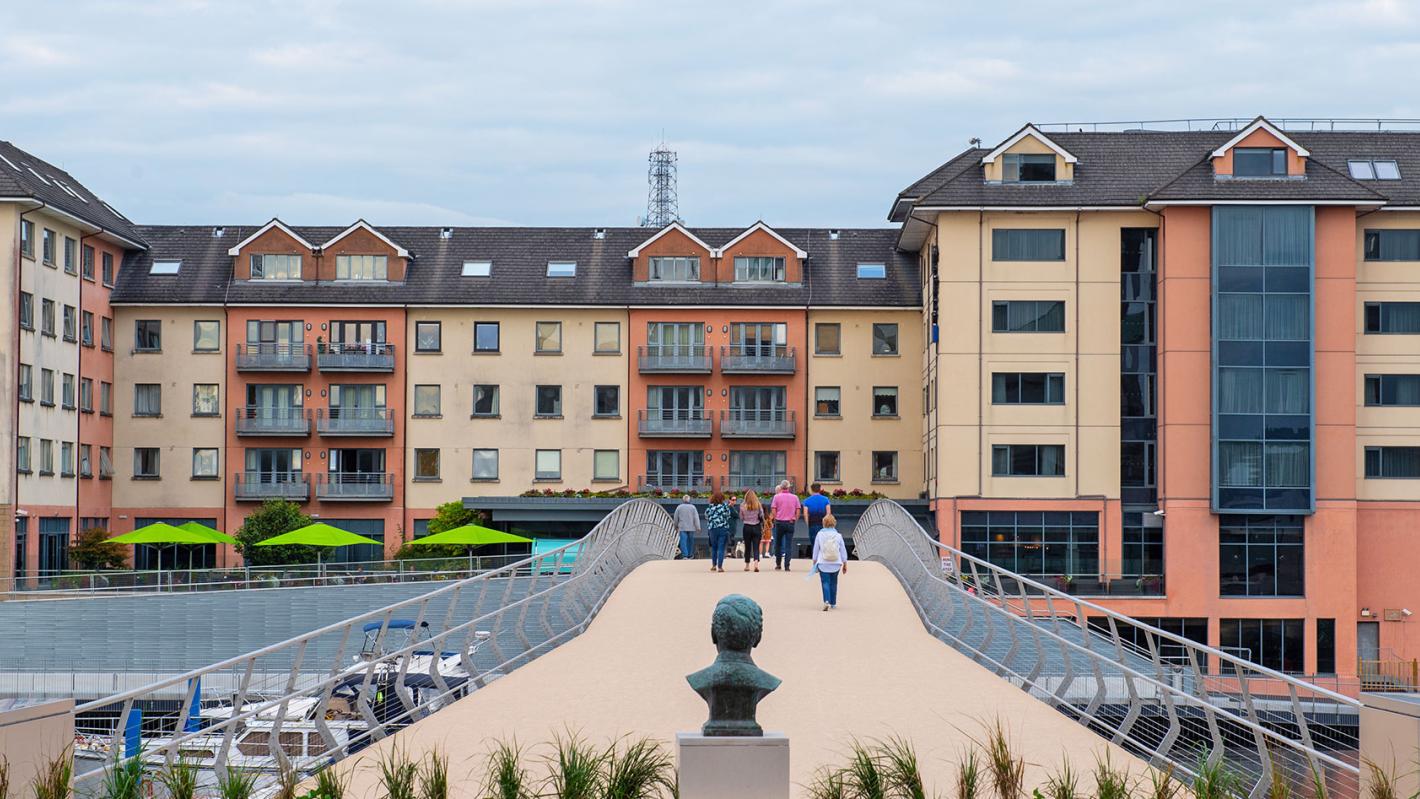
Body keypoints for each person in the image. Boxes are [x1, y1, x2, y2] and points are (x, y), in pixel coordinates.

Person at [812, 512, 848, 610]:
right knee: (834, 582)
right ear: (834, 523)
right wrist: (845, 563)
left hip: (823, 562)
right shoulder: (838, 536)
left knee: (825, 582)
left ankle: (826, 601)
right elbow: (843, 550)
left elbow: (816, 549)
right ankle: (833, 603)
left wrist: (814, 561)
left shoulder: (819, 534)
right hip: (836, 563)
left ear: (824, 523)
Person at [768, 481, 801, 571]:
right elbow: (798, 510)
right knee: (788, 544)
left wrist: (776, 518)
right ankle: (787, 565)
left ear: (781, 488)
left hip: (779, 522)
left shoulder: (776, 497)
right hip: (790, 522)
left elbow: (773, 509)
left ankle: (778, 564)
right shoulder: (795, 497)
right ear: (789, 487)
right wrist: (795, 519)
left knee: (778, 544)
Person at [704, 491, 738, 573]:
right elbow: (728, 516)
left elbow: (706, 516)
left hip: (712, 529)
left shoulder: (710, 507)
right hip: (723, 529)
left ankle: (713, 565)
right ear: (722, 499)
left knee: (714, 548)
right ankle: (720, 567)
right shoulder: (725, 506)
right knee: (721, 548)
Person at [739, 490, 764, 572]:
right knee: (756, 546)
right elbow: (761, 515)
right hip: (756, 526)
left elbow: (741, 517)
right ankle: (756, 564)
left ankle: (747, 565)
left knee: (748, 546)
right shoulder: (758, 504)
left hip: (747, 527)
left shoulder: (742, 505)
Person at [673, 494, 701, 560]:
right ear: (689, 500)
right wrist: (698, 527)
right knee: (690, 541)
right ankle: (690, 555)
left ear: (683, 500)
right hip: (691, 527)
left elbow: (675, 518)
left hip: (682, 527)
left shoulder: (679, 507)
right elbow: (696, 518)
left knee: (683, 541)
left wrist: (675, 526)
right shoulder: (693, 507)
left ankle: (685, 555)